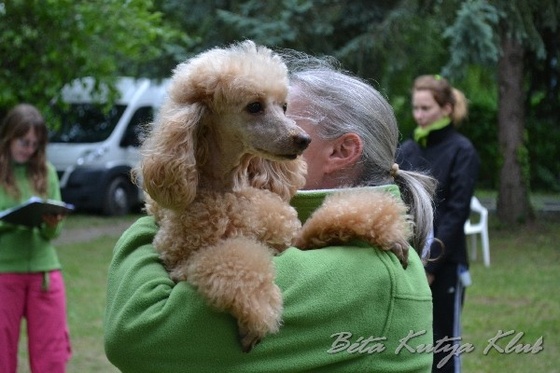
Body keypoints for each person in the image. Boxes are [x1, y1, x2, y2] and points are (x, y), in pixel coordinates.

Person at [104, 52, 437, 372]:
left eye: (289, 112)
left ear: (342, 150)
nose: (291, 130)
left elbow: (137, 335)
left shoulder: (368, 274)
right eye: (257, 110)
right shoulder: (320, 244)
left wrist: (158, 214)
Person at [396, 75, 480, 372]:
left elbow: (456, 214)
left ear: (446, 109)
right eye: (416, 108)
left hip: (445, 266)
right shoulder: (407, 149)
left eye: (426, 108)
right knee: (411, 342)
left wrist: (431, 266)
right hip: (408, 260)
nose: (419, 115)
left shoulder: (462, 150)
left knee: (443, 345)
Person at [0, 104, 72, 372]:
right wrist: (9, 220)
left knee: (52, 356)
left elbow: (52, 233)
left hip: (44, 273)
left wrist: (52, 223)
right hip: (4, 272)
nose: (28, 148)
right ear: (8, 136)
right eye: (23, 141)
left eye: (34, 143)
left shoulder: (46, 171)